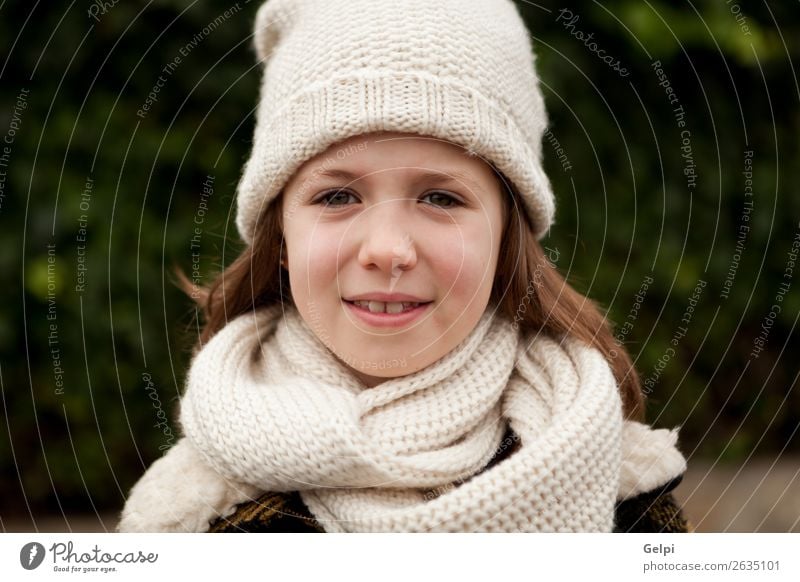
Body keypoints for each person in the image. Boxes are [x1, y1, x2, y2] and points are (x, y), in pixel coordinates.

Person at [117, 0, 690, 533]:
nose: (387, 250)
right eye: (337, 197)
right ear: (281, 235)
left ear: (505, 238)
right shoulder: (192, 513)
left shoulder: (620, 487)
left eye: (441, 198)